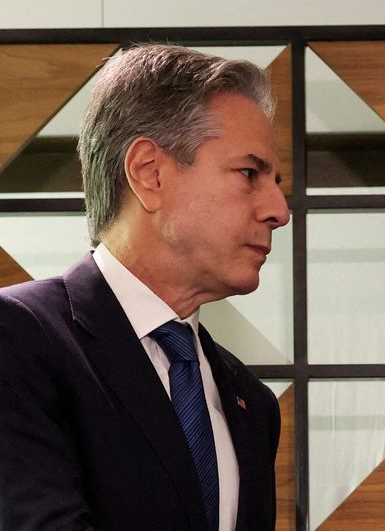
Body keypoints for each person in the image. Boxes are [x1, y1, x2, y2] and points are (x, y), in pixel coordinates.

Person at [0, 44, 290, 530]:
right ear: (149, 173)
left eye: (275, 181)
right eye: (249, 173)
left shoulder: (252, 403)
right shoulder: (20, 338)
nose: (279, 210)